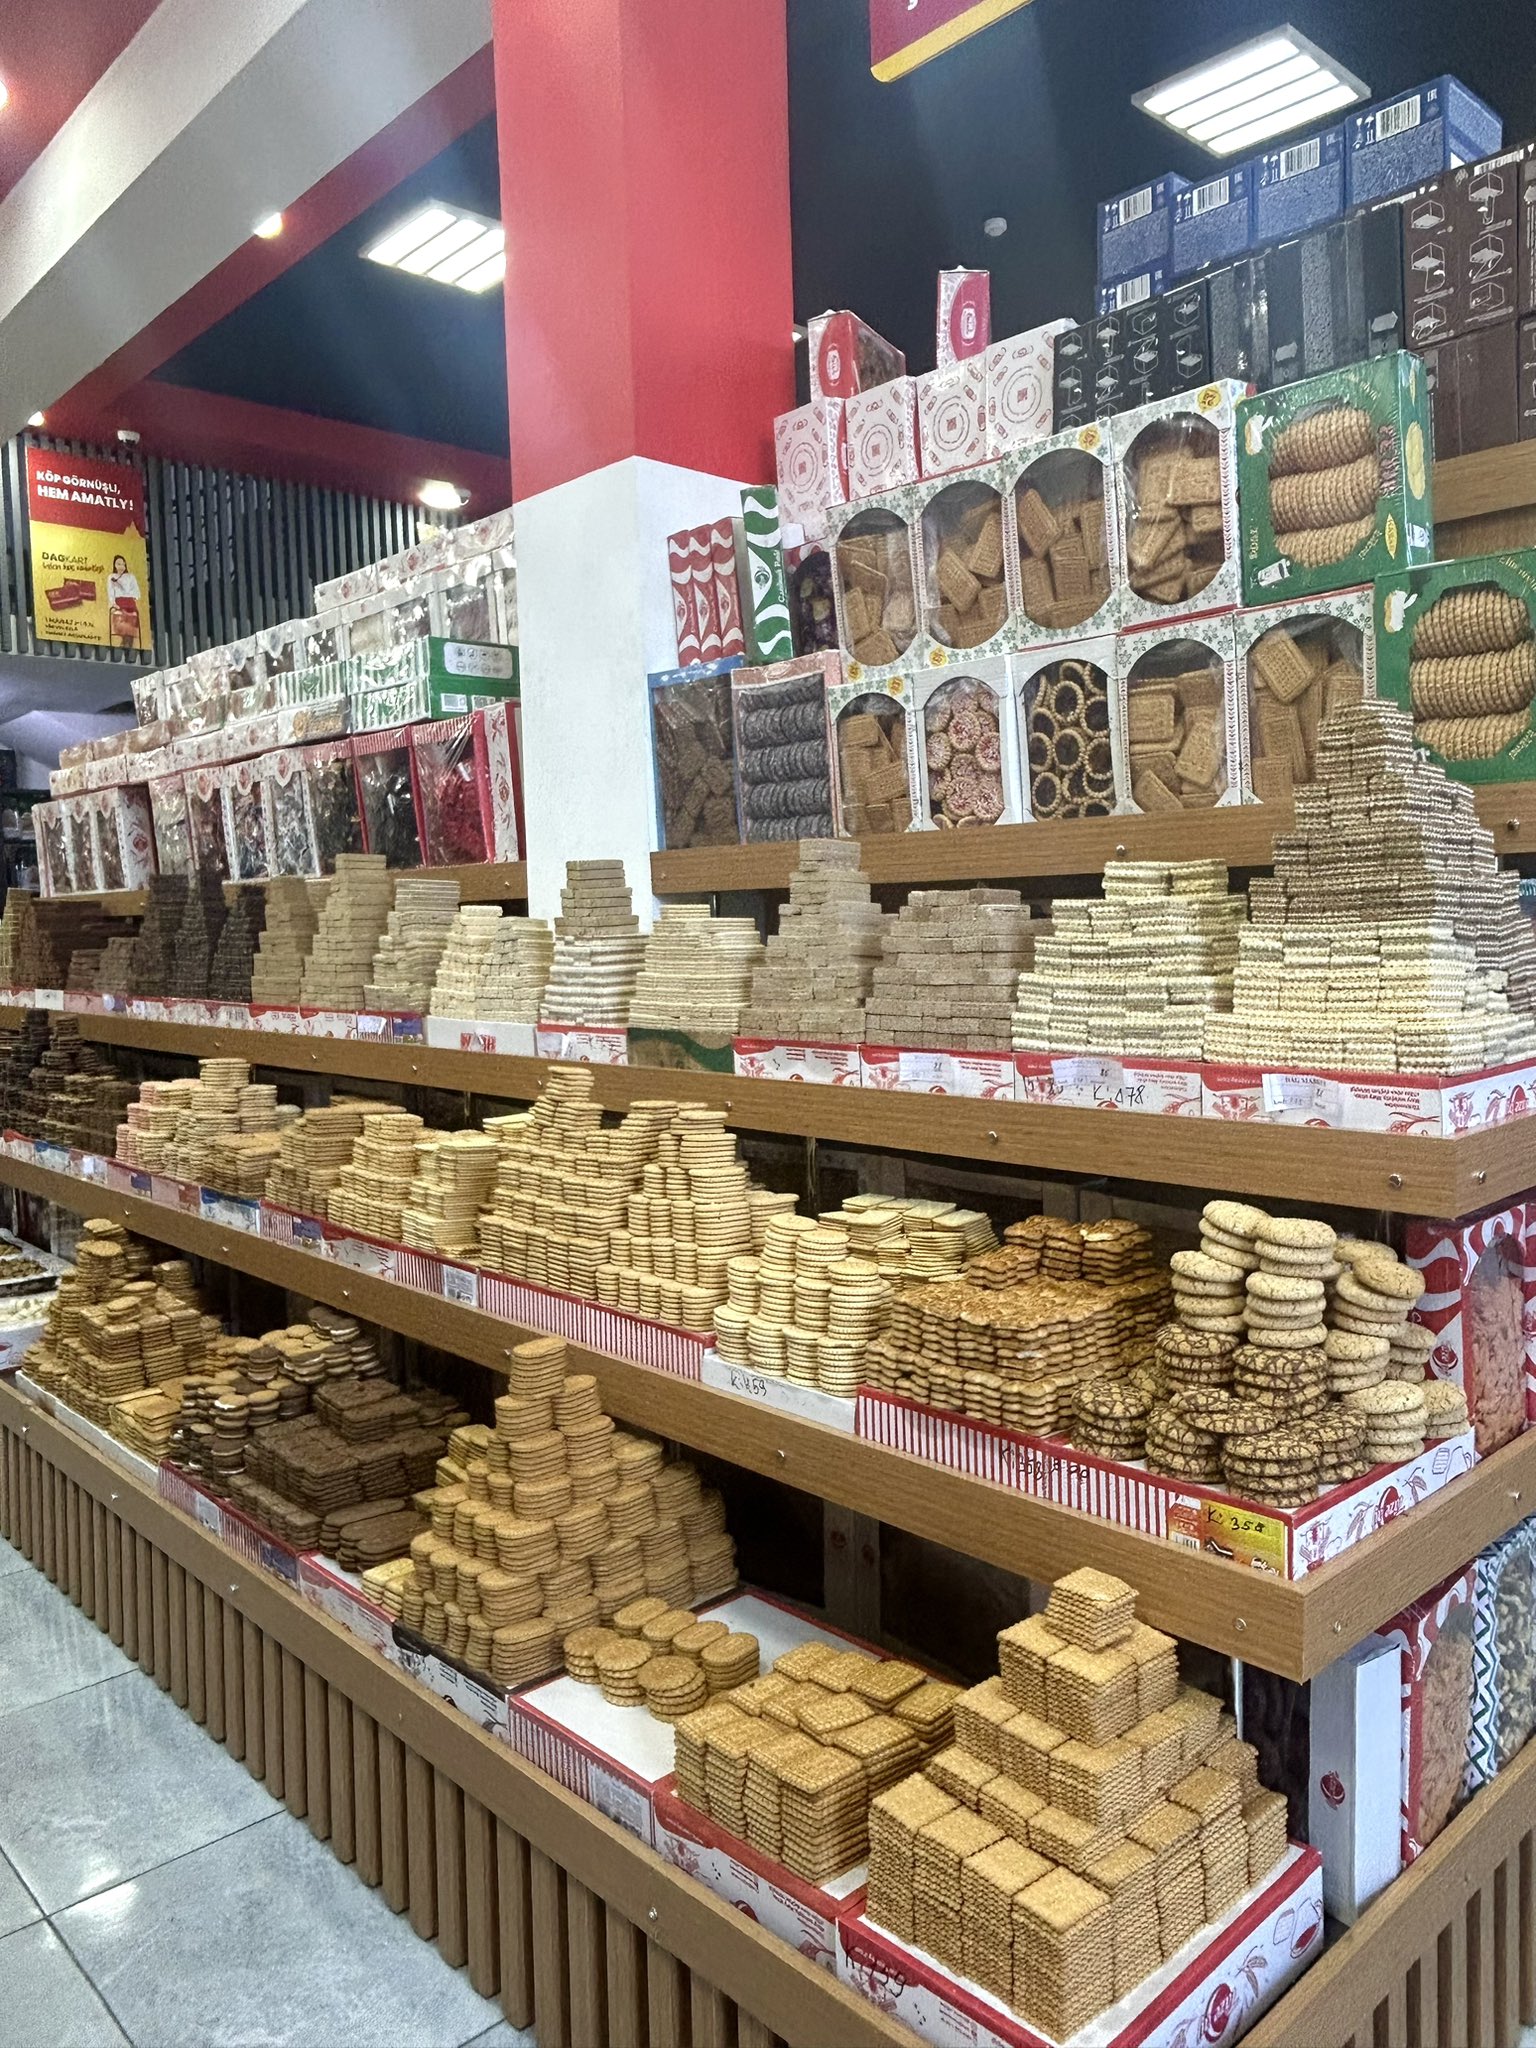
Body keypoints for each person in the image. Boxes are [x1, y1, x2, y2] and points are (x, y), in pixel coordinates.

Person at [107, 552, 141, 647]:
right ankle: (126, 646)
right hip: (118, 604)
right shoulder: (111, 576)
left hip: (130, 605)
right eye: (118, 564)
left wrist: (122, 586)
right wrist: (113, 604)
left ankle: (126, 646)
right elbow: (110, 592)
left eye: (123, 564)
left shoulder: (131, 577)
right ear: (114, 565)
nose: (121, 566)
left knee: (132, 621)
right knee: (120, 624)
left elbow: (136, 593)